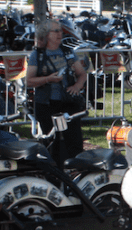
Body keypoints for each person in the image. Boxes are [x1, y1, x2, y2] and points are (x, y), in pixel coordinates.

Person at [26, 19, 87, 164]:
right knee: (52, 143)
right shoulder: (38, 55)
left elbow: (82, 74)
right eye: (56, 31)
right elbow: (29, 81)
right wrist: (48, 79)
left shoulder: (68, 53)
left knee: (75, 142)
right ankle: (53, 175)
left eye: (60, 30)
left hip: (68, 103)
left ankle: (75, 174)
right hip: (46, 104)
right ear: (46, 34)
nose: (60, 34)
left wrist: (76, 87)